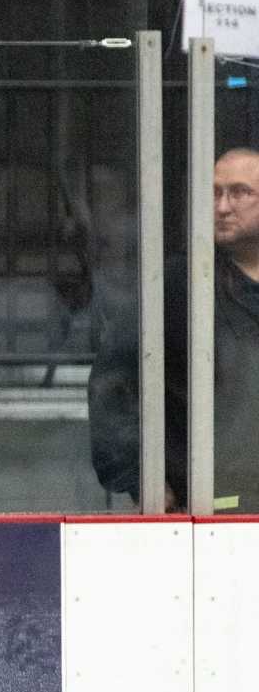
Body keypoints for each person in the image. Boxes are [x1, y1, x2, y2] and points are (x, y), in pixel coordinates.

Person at [90, 147, 259, 512]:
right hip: (210, 512)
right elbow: (114, 379)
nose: (223, 207)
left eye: (240, 192)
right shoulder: (181, 285)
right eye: (214, 193)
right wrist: (139, 476)